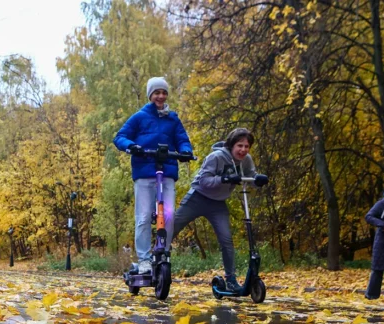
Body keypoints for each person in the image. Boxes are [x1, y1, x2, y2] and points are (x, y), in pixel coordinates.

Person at [172, 128, 268, 292]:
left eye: (246, 146)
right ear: (231, 145)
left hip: (218, 204)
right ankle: (156, 260)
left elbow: (250, 176)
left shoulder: (246, 160)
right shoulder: (216, 157)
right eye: (240, 145)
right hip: (198, 197)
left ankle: (230, 279)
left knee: (226, 241)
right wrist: (224, 178)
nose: (243, 150)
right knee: (172, 227)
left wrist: (257, 180)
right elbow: (203, 181)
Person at [113, 77, 193, 274]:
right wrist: (132, 147)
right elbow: (120, 137)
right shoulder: (139, 117)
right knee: (142, 217)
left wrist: (185, 151)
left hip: (166, 172)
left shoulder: (173, 118)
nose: (161, 96)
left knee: (169, 215)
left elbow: (182, 139)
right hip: (145, 172)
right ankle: (144, 260)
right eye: (157, 92)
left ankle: (163, 253)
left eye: (164, 92)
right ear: (150, 95)